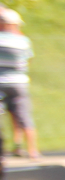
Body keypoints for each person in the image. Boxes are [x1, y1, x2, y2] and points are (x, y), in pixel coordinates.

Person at [0, 8, 38, 159]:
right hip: (19, 82)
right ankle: (32, 150)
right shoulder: (23, 41)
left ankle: (15, 146)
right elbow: (28, 59)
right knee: (23, 115)